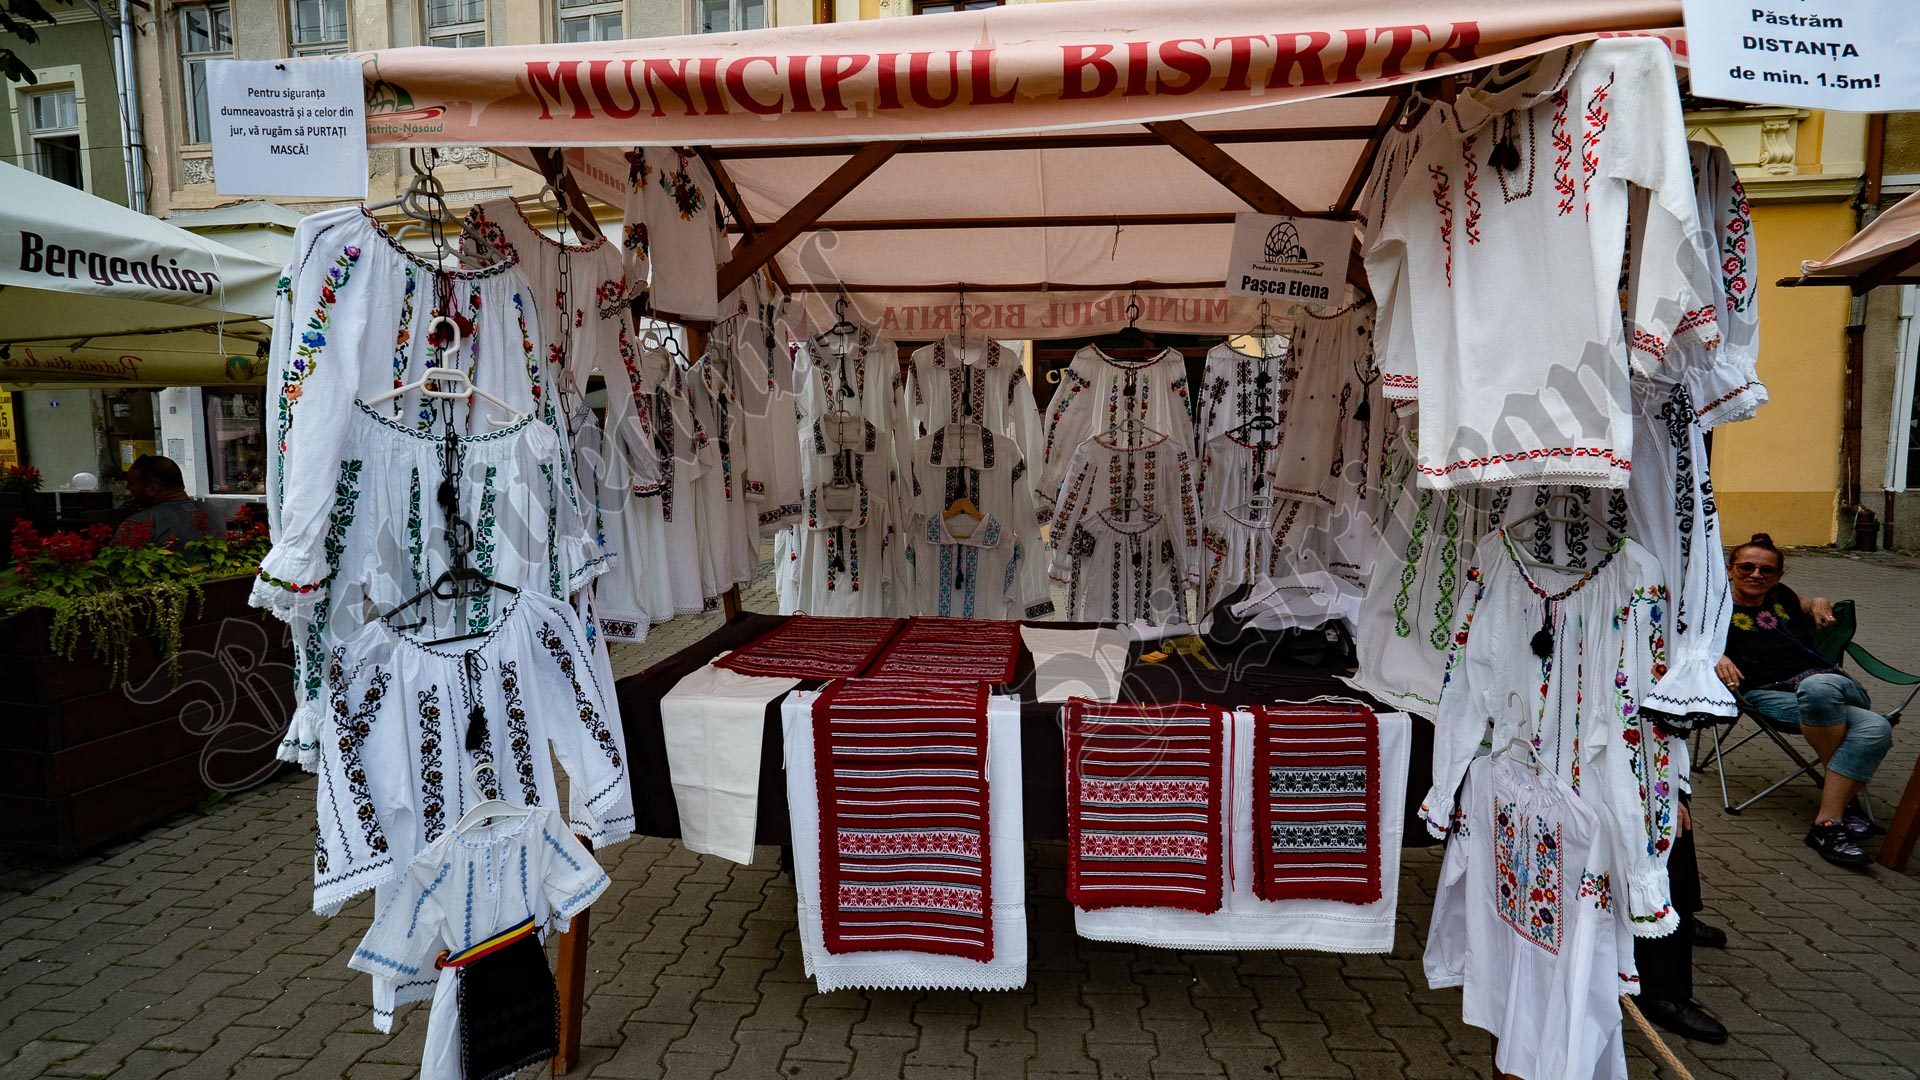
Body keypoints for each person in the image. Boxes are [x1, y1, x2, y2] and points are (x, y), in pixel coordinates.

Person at [1716, 533, 1893, 868]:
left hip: (1832, 684)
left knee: (1819, 687)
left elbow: (1810, 604)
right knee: (1875, 728)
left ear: (1779, 576)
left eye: (1767, 570)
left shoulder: (1780, 594)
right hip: (1767, 694)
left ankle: (1837, 793)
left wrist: (1819, 602)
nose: (1756, 575)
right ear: (1730, 569)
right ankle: (1829, 823)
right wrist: (1714, 656)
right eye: (1746, 567)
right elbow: (1685, 643)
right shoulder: (1712, 605)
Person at [115, 454, 218, 548]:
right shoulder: (213, 512)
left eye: (131, 483)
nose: (128, 488)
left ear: (152, 489)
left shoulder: (139, 523)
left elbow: (116, 559)